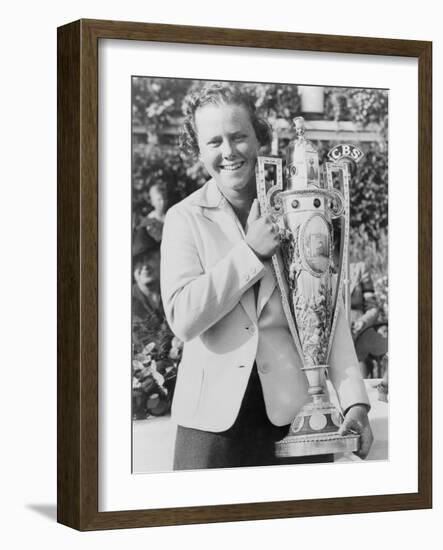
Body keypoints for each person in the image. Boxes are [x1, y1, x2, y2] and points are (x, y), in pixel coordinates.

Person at [160, 84, 373, 470]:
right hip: (210, 425)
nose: (228, 152)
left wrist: (354, 400)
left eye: (239, 136)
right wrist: (250, 253)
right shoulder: (183, 218)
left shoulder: (300, 206)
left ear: (260, 137)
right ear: (198, 150)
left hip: (299, 416)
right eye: (214, 142)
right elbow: (183, 319)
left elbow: (327, 309)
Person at [349, 261, 388, 377]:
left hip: (359, 332)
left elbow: (373, 308)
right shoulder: (320, 269)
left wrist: (362, 322)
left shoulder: (359, 268)